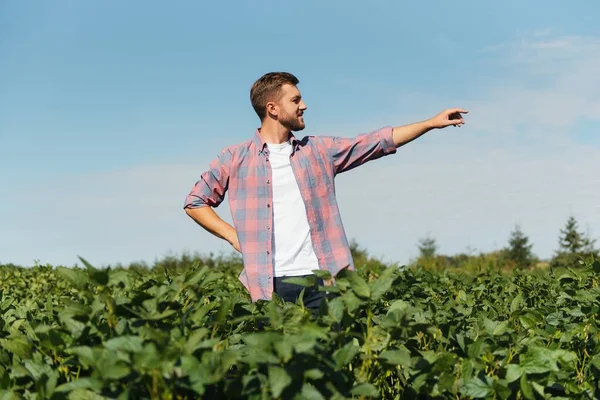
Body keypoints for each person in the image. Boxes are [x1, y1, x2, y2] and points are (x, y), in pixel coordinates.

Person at [183, 72, 467, 314]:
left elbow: (375, 142)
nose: (303, 105)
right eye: (295, 100)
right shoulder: (235, 158)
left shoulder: (318, 151)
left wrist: (429, 123)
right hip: (269, 286)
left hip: (324, 281)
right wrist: (234, 236)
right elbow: (195, 202)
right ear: (272, 108)